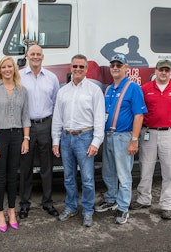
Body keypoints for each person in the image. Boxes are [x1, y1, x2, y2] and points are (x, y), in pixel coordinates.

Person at [130, 59, 171, 220]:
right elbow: (137, 111)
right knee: (146, 168)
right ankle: (144, 199)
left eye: (167, 70)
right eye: (161, 70)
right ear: (156, 71)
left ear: (170, 72)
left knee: (170, 170)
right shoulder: (145, 89)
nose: (163, 73)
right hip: (148, 132)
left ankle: (166, 205)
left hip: (170, 134)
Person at [52, 54, 105, 227]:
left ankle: (88, 211)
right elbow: (57, 118)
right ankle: (71, 207)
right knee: (68, 177)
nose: (78, 69)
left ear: (86, 69)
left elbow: (99, 118)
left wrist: (96, 142)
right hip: (67, 139)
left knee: (88, 178)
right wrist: (56, 140)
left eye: (81, 66)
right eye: (75, 66)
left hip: (85, 138)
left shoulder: (94, 90)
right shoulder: (63, 91)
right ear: (71, 67)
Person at [94, 54, 147, 224]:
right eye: (113, 65)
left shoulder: (133, 88)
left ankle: (123, 208)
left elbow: (139, 116)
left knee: (124, 175)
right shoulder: (109, 89)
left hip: (124, 137)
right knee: (108, 172)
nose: (115, 67)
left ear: (126, 68)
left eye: (119, 65)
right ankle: (111, 200)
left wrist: (134, 140)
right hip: (109, 136)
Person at [0, 56, 30, 232]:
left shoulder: (22, 90)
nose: (7, 69)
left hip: (17, 136)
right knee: (0, 177)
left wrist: (26, 138)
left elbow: (25, 116)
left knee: (12, 177)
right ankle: (0, 212)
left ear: (14, 69)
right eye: (4, 67)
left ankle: (12, 211)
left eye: (10, 66)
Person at [18, 44, 60, 219]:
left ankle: (47, 202)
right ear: (27, 56)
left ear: (43, 57)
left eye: (38, 54)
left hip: (46, 124)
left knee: (47, 166)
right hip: (26, 126)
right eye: (32, 54)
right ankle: (24, 204)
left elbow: (57, 103)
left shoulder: (52, 78)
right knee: (25, 167)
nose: (35, 56)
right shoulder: (18, 77)